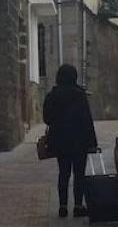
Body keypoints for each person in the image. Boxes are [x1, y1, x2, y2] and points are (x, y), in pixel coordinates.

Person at [42, 64, 98, 218]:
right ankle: (78, 205)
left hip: (60, 140)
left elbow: (47, 118)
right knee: (79, 173)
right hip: (79, 140)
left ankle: (62, 205)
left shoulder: (52, 95)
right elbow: (87, 119)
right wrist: (92, 142)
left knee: (63, 173)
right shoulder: (80, 95)